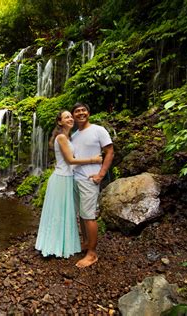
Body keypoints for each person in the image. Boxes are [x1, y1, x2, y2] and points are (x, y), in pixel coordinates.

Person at [35, 111, 102, 258]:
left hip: (66, 178)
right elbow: (71, 161)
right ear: (60, 122)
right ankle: (54, 246)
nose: (71, 119)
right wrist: (93, 160)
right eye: (67, 117)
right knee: (58, 213)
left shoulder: (68, 137)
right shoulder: (61, 138)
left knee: (64, 212)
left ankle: (61, 244)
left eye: (71, 117)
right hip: (61, 179)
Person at [71, 102, 114, 268]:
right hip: (76, 178)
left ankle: (92, 253)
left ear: (88, 113)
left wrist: (101, 174)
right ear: (73, 116)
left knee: (89, 216)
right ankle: (86, 243)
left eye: (83, 110)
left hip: (90, 179)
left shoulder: (98, 130)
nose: (81, 113)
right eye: (77, 111)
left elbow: (109, 151)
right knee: (82, 215)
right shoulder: (74, 136)